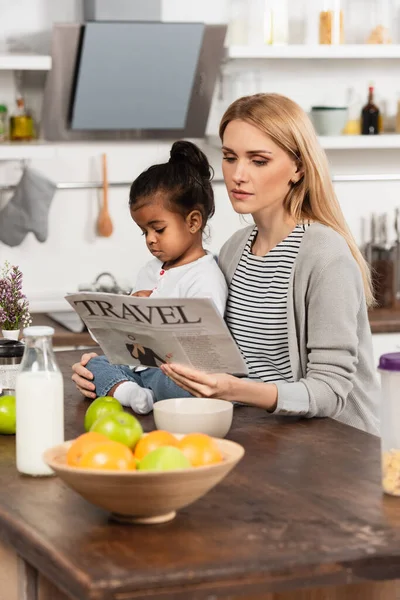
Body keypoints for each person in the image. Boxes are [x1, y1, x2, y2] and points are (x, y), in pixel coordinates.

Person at [160, 93, 380, 435]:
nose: (238, 175)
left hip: (339, 449)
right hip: (268, 439)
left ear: (298, 167)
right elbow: (222, 357)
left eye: (258, 161)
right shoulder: (235, 250)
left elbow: (330, 391)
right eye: (230, 158)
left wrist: (234, 390)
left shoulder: (325, 257)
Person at [72, 140, 228, 414]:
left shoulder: (205, 276)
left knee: (185, 386)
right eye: (144, 232)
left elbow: (201, 346)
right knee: (92, 365)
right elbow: (130, 342)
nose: (151, 240)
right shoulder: (149, 269)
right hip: (138, 368)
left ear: (193, 222)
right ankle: (133, 394)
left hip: (174, 375)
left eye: (158, 229)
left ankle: (126, 391)